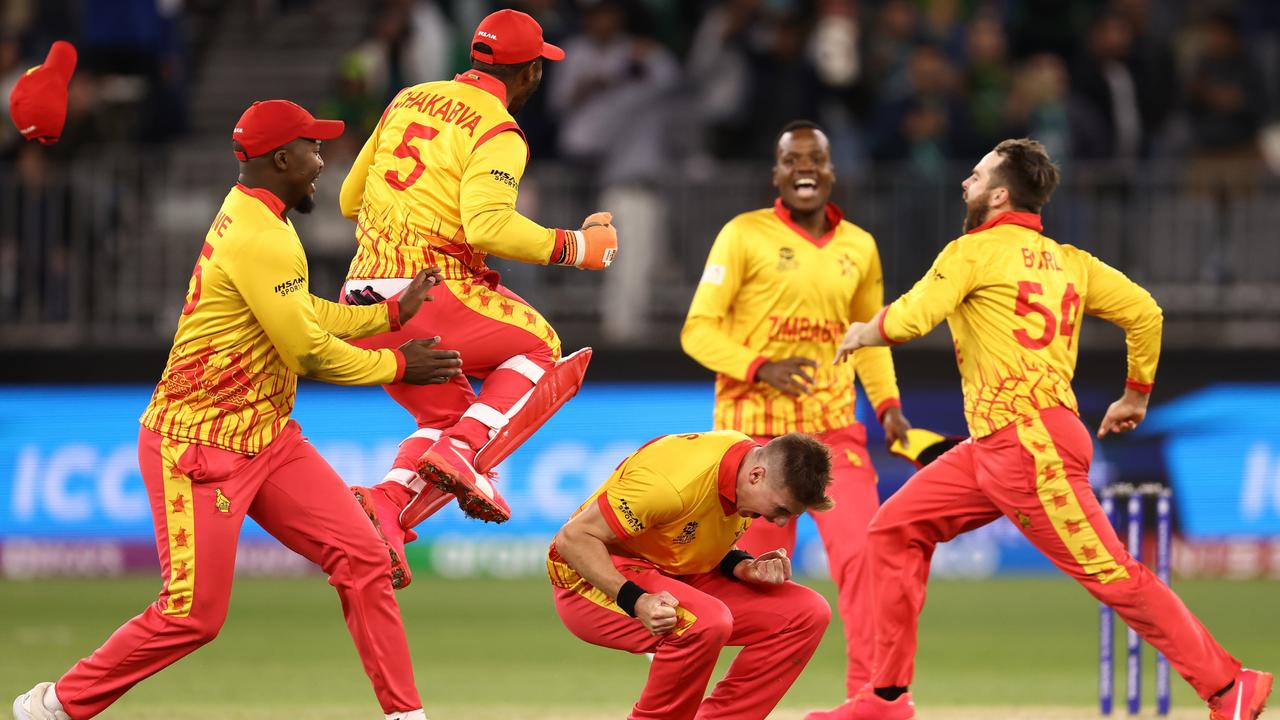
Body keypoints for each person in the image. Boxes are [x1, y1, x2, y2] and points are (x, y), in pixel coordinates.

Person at [10, 100, 463, 720]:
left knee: (362, 556)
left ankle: (406, 716)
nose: (321, 162)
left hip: (267, 436)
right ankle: (57, 706)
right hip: (198, 444)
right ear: (281, 159)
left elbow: (299, 314)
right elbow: (305, 350)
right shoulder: (261, 236)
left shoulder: (257, 217)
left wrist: (385, 316)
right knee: (193, 614)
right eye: (313, 149)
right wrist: (399, 364)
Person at [833, 138, 1272, 720]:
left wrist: (865, 331)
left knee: (1114, 574)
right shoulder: (1071, 260)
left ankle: (1228, 686)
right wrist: (1136, 394)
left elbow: (913, 317)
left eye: (975, 174)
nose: (964, 183)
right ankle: (886, 698)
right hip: (998, 445)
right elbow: (1146, 313)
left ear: (998, 194)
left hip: (1028, 445)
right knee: (892, 531)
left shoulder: (972, 251)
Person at [336, 8, 618, 589]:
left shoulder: (408, 98)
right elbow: (489, 226)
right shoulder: (499, 130)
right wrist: (579, 247)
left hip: (362, 296)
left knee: (443, 413)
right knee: (541, 346)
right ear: (533, 72)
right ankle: (466, 449)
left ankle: (386, 504)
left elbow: (347, 198)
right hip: (428, 290)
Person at [680, 119, 912, 718]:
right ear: (776, 175)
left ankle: (870, 701)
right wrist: (760, 366)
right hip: (753, 441)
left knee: (865, 557)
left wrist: (887, 405)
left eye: (816, 159)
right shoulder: (742, 235)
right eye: (792, 160)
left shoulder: (859, 246)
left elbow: (871, 336)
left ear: (832, 172)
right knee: (748, 580)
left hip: (834, 432)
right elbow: (697, 330)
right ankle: (715, 707)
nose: (804, 168)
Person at [547, 431, 835, 720]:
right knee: (706, 622)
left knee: (807, 613)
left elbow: (690, 530)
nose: (781, 522)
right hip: (586, 578)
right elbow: (572, 539)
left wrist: (741, 564)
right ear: (756, 476)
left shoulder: (743, 468)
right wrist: (636, 600)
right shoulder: (669, 484)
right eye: (781, 509)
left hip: (670, 569)